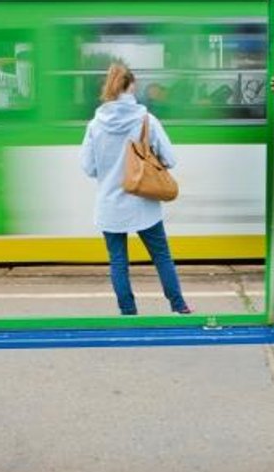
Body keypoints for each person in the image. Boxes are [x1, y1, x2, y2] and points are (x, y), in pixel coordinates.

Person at [81, 63, 192, 315]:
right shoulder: (146, 120)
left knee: (118, 261)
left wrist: (111, 170)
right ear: (132, 86)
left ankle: (128, 312)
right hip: (143, 203)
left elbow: (88, 167)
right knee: (161, 256)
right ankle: (179, 305)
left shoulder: (95, 125)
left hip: (110, 204)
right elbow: (170, 160)